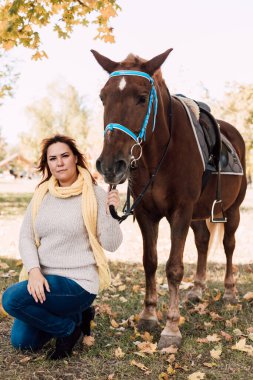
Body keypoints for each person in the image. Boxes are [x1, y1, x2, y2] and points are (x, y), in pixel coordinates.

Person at [2, 135, 123, 360]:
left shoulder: (95, 194)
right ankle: (76, 318)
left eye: (65, 156)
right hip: (43, 280)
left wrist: (111, 213)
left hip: (78, 282)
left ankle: (68, 330)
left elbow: (112, 245)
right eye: (53, 158)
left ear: (75, 158)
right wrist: (34, 271)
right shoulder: (42, 194)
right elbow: (26, 236)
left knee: (10, 299)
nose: (59, 162)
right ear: (47, 164)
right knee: (23, 342)